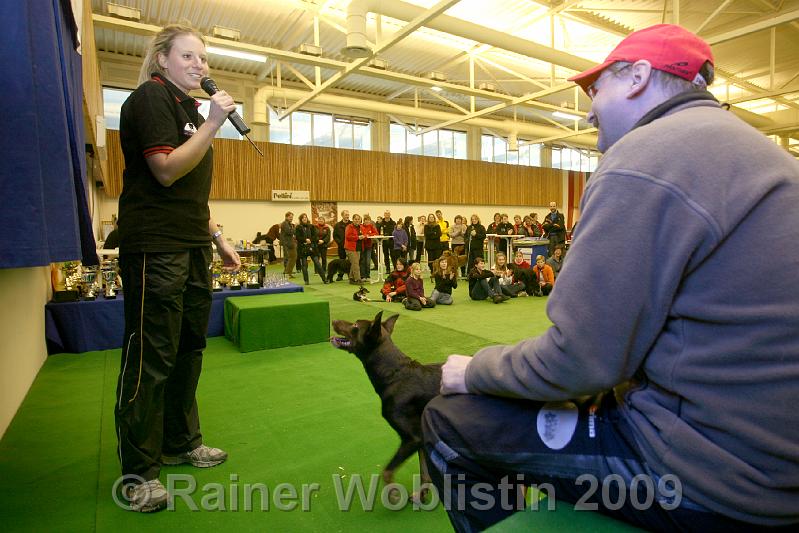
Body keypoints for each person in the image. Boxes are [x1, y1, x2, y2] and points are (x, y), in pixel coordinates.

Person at [423, 24, 799, 532]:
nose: (588, 111)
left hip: (712, 481)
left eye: (596, 89)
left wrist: (473, 371)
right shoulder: (770, 157)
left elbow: (579, 361)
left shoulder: (644, 157)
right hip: (776, 464)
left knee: (447, 421)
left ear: (638, 77)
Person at [114, 23, 242, 513]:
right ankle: (139, 473)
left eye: (203, 58)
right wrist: (213, 123)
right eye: (188, 56)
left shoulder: (191, 110)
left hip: (191, 245)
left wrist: (217, 238)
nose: (199, 65)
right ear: (162, 59)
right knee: (151, 356)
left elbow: (191, 191)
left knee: (189, 348)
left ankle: (181, 442)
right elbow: (166, 170)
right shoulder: (151, 98)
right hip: (155, 247)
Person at [294, 213, 326, 285]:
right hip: (302, 248)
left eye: (305, 217)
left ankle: (324, 279)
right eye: (303, 218)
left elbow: (315, 236)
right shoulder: (298, 227)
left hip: (312, 247)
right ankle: (306, 281)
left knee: (317, 263)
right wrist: (305, 240)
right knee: (304, 265)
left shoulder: (311, 226)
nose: (304, 218)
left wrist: (310, 240)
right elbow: (298, 237)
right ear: (301, 219)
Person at [344, 214, 366, 285]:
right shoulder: (349, 227)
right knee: (356, 264)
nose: (357, 220)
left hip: (358, 248)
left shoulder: (361, 227)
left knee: (354, 264)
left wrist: (364, 236)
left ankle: (351, 278)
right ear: (353, 220)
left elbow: (365, 234)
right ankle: (357, 279)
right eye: (355, 219)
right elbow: (348, 236)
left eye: (358, 219)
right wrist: (358, 237)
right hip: (350, 248)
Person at [279, 211, 297, 278]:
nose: (291, 218)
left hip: (289, 243)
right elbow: (290, 232)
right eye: (290, 217)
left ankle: (288, 272)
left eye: (292, 217)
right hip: (287, 243)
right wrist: (295, 227)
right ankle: (287, 272)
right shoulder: (285, 224)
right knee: (290, 258)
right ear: (286, 217)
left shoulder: (288, 224)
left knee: (291, 258)